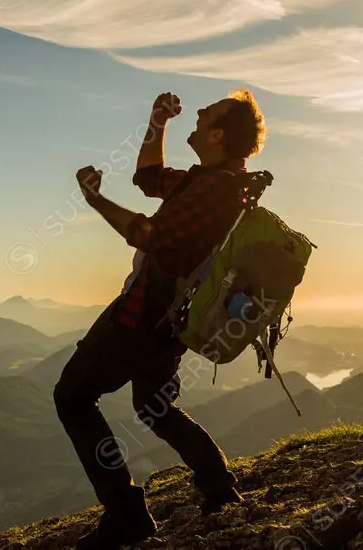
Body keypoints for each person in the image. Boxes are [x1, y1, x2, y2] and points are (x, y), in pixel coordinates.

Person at [54, 88, 267, 549]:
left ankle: (126, 513)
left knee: (72, 397)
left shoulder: (215, 190)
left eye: (208, 112)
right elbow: (148, 178)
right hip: (171, 320)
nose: (200, 111)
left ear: (216, 133)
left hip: (142, 316)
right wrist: (157, 121)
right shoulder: (213, 179)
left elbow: (148, 235)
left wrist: (94, 200)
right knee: (155, 406)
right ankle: (217, 486)